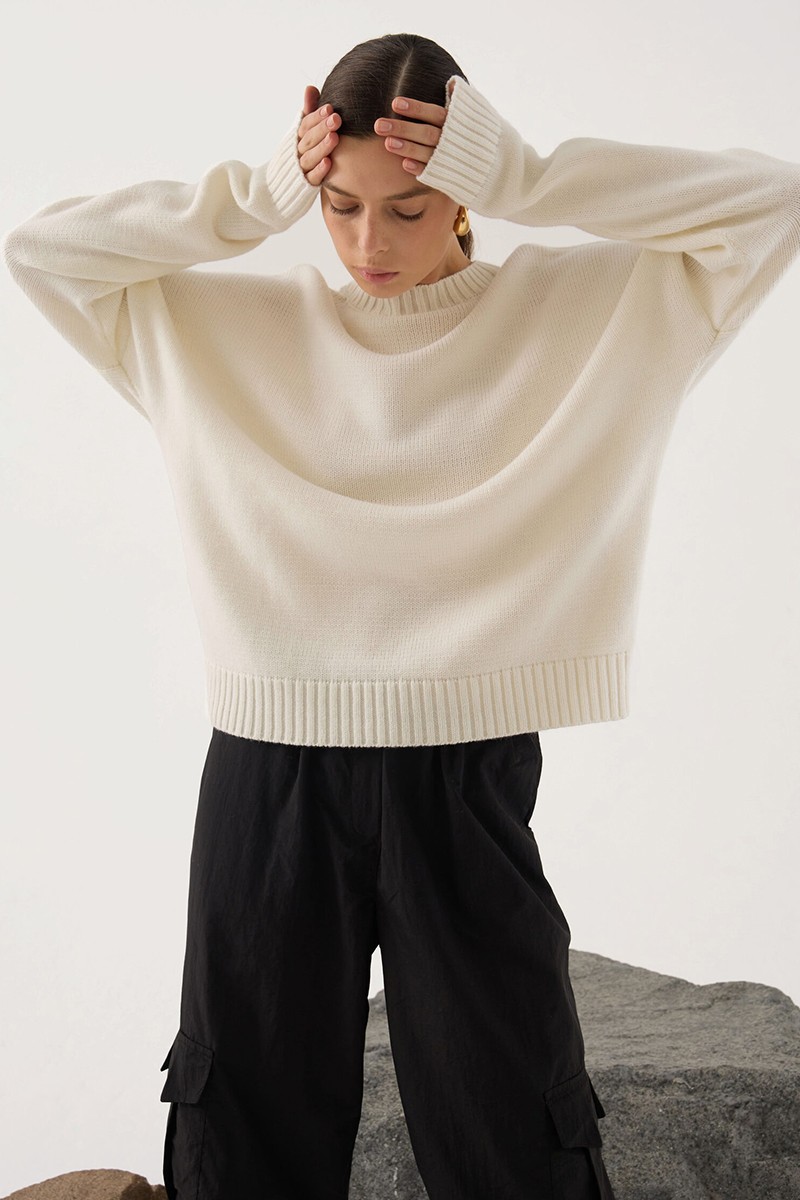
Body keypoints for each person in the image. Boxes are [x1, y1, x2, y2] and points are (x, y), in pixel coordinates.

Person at [5, 28, 800, 1200]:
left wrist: (527, 173)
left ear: (463, 190)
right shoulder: (227, 334)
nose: (367, 244)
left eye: (409, 208)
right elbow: (40, 250)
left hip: (463, 773)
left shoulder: (584, 315)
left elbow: (770, 203)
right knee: (241, 1131)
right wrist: (258, 194)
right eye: (339, 208)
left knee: (515, 1126)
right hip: (270, 770)